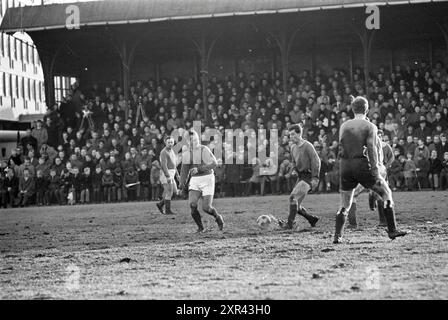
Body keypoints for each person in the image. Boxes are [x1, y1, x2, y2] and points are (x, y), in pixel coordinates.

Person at [334, 96, 407, 244]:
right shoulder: (370, 127)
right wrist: (375, 171)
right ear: (367, 109)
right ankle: (392, 230)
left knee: (345, 204)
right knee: (386, 193)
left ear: (353, 109)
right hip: (362, 166)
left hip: (346, 166)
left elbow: (340, 148)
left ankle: (337, 236)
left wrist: (342, 167)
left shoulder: (344, 126)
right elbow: (372, 149)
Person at [179, 130, 224, 232]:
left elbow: (214, 163)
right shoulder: (186, 154)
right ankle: (200, 227)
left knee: (206, 208)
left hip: (207, 178)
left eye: (195, 140)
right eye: (191, 141)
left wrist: (199, 169)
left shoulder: (204, 149)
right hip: (195, 180)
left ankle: (218, 217)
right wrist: (181, 185)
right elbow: (184, 171)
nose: (194, 142)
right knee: (192, 205)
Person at [278, 124, 320, 230]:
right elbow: (293, 162)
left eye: (293, 134)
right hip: (301, 177)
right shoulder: (292, 147)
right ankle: (312, 219)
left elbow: (316, 161)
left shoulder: (308, 146)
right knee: (296, 205)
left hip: (309, 176)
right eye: (289, 135)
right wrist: (293, 171)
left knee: (293, 198)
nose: (291, 137)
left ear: (299, 133)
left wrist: (315, 177)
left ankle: (289, 224)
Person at [156, 136, 179, 215]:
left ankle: (160, 204)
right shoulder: (163, 152)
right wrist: (168, 176)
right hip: (166, 173)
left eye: (171, 142)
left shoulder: (172, 150)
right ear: (165, 142)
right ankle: (168, 211)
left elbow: (174, 164)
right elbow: (164, 165)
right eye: (168, 142)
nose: (170, 144)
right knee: (169, 192)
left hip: (171, 173)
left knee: (175, 192)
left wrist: (177, 174)